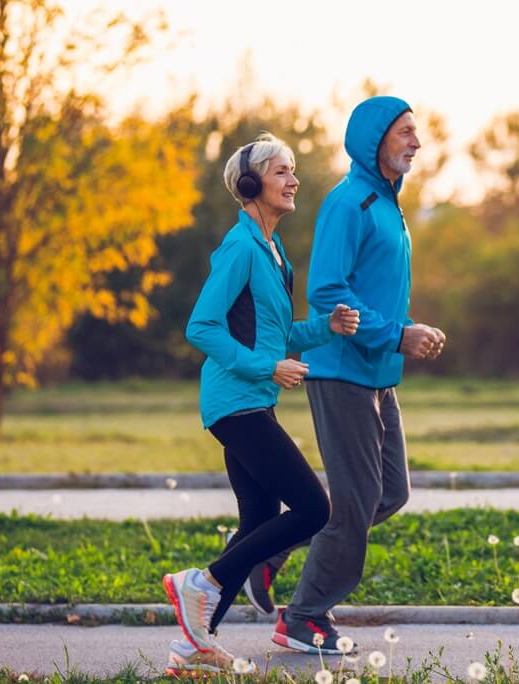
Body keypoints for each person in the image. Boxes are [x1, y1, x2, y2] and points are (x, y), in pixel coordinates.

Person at [162, 133, 361, 675]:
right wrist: (265, 367)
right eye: (281, 172)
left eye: (293, 170)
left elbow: (275, 333)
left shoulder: (272, 254)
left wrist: (327, 327)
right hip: (235, 401)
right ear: (251, 185)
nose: (293, 180)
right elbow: (201, 326)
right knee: (314, 509)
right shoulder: (240, 248)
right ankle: (198, 584)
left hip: (253, 402)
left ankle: (192, 644)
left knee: (258, 519)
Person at [269, 96, 446, 654]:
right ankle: (303, 618)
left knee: (389, 492)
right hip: (341, 370)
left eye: (417, 133)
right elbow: (326, 291)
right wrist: (397, 335)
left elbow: (372, 292)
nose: (416, 142)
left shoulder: (388, 206)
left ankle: (269, 549)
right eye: (405, 132)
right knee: (354, 502)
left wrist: (409, 327)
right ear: (374, 139)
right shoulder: (350, 203)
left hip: (376, 373)